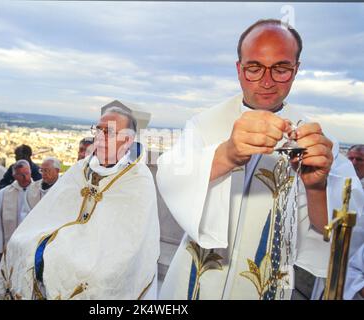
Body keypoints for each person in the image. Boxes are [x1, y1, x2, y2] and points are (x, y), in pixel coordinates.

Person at [156, 19, 364, 300]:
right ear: (239, 69)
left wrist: (316, 187)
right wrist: (227, 153)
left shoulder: (316, 140)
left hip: (269, 284)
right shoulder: (205, 125)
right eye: (254, 68)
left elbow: (341, 232)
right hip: (196, 278)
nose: (266, 81)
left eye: (280, 69)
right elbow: (171, 177)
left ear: (296, 70)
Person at [0, 108, 160, 300]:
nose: (100, 137)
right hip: (62, 247)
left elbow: (131, 240)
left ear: (128, 141)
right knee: (19, 245)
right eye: (98, 130)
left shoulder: (138, 178)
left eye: (109, 132)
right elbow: (48, 212)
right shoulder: (79, 169)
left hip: (103, 258)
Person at [0, 160, 33, 256]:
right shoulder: (4, 194)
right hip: (10, 245)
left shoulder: (38, 191)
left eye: (27, 173)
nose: (25, 178)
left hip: (32, 244)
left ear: (30, 172)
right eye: (21, 175)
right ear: (15, 176)